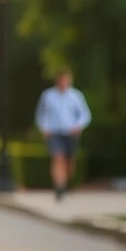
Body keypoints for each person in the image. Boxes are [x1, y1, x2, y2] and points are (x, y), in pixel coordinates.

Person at [35, 68, 91, 201]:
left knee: (69, 161)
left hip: (70, 132)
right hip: (54, 132)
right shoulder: (48, 95)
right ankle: (59, 186)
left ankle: (66, 182)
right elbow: (41, 114)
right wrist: (44, 128)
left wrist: (78, 126)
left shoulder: (76, 96)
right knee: (58, 158)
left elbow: (85, 114)